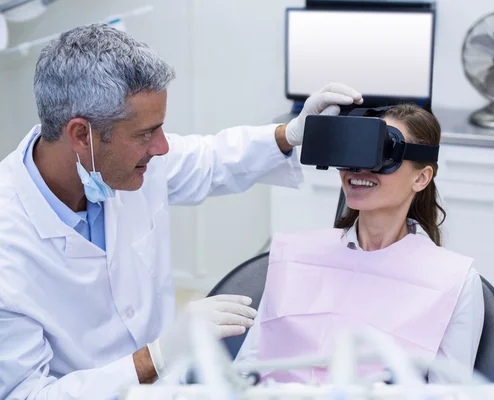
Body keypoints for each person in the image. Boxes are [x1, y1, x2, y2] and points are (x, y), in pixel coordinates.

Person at [0, 23, 364, 399]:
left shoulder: (116, 163)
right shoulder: (8, 244)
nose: (161, 148)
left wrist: (290, 133)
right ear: (81, 135)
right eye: (145, 134)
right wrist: (153, 358)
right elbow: (26, 394)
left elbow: (212, 159)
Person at [235, 104, 485, 383]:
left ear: (421, 177)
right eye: (356, 150)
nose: (360, 169)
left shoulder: (454, 282)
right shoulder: (296, 258)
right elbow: (246, 371)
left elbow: (450, 393)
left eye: (384, 152)